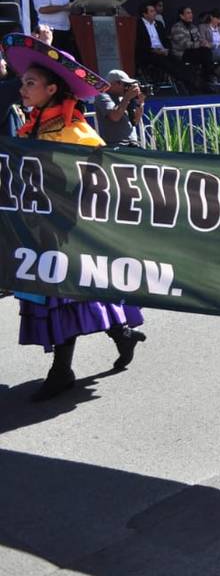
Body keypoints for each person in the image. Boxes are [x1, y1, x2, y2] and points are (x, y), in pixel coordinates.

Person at [1, 33, 147, 401]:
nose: (24, 89)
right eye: (23, 83)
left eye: (30, 84)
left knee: (64, 296)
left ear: (52, 88)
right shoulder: (29, 127)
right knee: (73, 296)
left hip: (67, 230)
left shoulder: (73, 130)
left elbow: (101, 176)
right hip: (39, 228)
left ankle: (61, 371)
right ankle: (123, 335)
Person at [135, 2, 198, 92]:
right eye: (152, 11)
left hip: (163, 51)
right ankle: (185, 82)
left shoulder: (159, 24)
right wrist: (154, 50)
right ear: (144, 14)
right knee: (166, 63)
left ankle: (190, 84)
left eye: (154, 11)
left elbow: (165, 40)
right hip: (148, 53)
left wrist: (167, 49)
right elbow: (138, 43)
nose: (155, 13)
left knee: (179, 61)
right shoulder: (138, 24)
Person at [93, 69, 145, 147]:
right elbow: (115, 117)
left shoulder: (123, 98)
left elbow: (135, 121)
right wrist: (127, 97)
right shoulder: (102, 96)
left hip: (132, 144)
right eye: (125, 84)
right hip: (116, 145)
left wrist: (139, 103)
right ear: (114, 84)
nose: (127, 87)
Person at [169, 5, 213, 86]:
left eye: (191, 13)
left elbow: (199, 39)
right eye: (188, 13)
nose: (191, 15)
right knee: (204, 54)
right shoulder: (177, 27)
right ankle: (206, 79)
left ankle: (206, 79)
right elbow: (185, 44)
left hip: (193, 52)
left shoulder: (193, 27)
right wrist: (200, 44)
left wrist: (205, 43)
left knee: (206, 51)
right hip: (181, 53)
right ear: (182, 16)